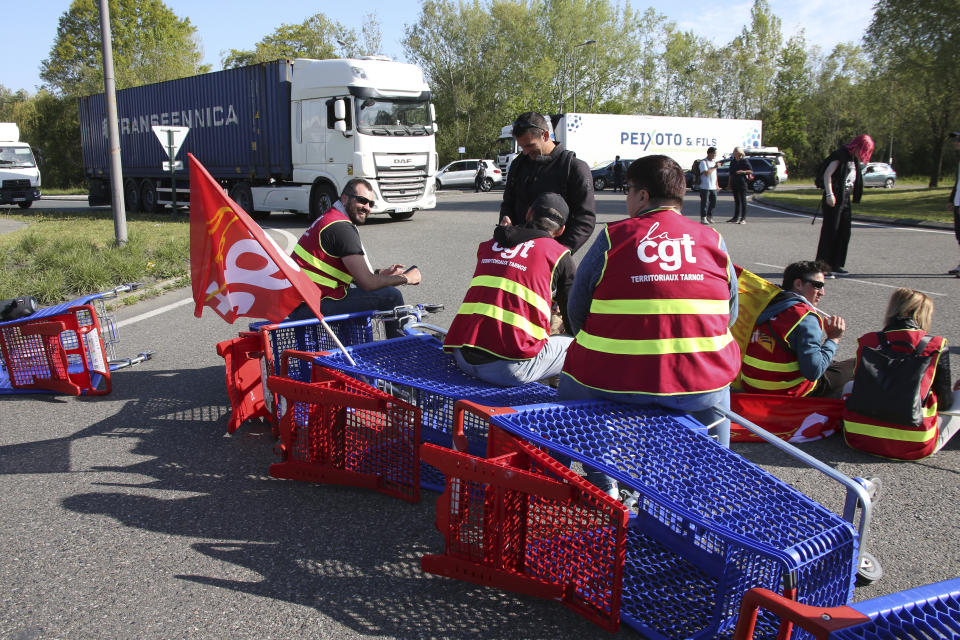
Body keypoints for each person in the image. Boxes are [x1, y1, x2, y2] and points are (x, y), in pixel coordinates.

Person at [559, 155, 741, 497]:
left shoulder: (615, 236)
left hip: (614, 379)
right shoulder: (712, 239)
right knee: (718, 390)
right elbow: (729, 315)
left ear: (642, 196)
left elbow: (577, 309)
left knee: (572, 382)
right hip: (699, 383)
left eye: (628, 190)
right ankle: (708, 484)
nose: (627, 198)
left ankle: (603, 480)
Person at [443, 192, 576, 386]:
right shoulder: (560, 255)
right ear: (561, 230)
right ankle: (564, 403)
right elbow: (574, 316)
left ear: (529, 213)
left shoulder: (489, 245)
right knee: (580, 345)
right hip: (508, 369)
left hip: (462, 356)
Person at [286, 178, 421, 338]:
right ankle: (401, 355)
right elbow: (367, 282)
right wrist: (406, 278)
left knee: (365, 293)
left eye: (371, 203)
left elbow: (355, 274)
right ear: (344, 198)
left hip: (302, 303)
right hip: (308, 307)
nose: (367, 207)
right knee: (391, 296)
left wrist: (381, 273)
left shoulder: (332, 218)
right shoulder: (341, 228)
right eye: (362, 200)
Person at [843, 288, 960, 459]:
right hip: (914, 445)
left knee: (850, 384)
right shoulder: (936, 345)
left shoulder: (868, 340)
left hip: (858, 438)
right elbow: (945, 403)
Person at [739, 260, 853, 398]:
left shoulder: (766, 302)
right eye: (818, 285)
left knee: (830, 362)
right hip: (786, 392)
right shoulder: (805, 317)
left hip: (750, 385)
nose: (822, 292)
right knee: (855, 365)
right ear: (798, 284)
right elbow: (813, 372)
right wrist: (833, 338)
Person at [499, 111, 596, 254]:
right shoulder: (518, 165)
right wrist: (506, 217)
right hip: (516, 253)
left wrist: (560, 252)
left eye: (530, 146)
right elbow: (508, 202)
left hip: (551, 255)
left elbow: (585, 219)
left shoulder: (574, 168)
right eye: (522, 147)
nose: (525, 152)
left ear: (545, 135)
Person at [816, 134, 875, 277]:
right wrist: (829, 194)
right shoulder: (840, 155)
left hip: (845, 198)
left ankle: (836, 264)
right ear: (858, 146)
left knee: (844, 231)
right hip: (834, 197)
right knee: (831, 232)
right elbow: (827, 174)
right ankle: (823, 266)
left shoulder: (852, 159)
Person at [725, 146, 752, 224]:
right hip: (734, 182)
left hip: (742, 182)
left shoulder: (744, 161)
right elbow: (730, 173)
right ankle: (735, 217)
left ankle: (743, 218)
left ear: (739, 152)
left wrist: (743, 172)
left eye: (735, 151)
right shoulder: (733, 161)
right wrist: (729, 184)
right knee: (737, 201)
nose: (734, 153)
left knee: (743, 200)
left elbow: (750, 171)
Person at [948, 131, 960, 276]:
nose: (956, 142)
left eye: (958, 139)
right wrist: (951, 200)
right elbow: (958, 182)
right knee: (959, 235)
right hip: (957, 201)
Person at [698, 146, 719, 225]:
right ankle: (703, 218)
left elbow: (715, 175)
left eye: (715, 154)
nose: (715, 155)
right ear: (709, 153)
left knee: (713, 202)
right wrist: (714, 167)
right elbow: (706, 173)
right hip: (705, 186)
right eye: (714, 154)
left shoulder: (714, 162)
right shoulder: (703, 162)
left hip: (713, 187)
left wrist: (717, 185)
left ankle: (709, 216)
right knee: (705, 203)